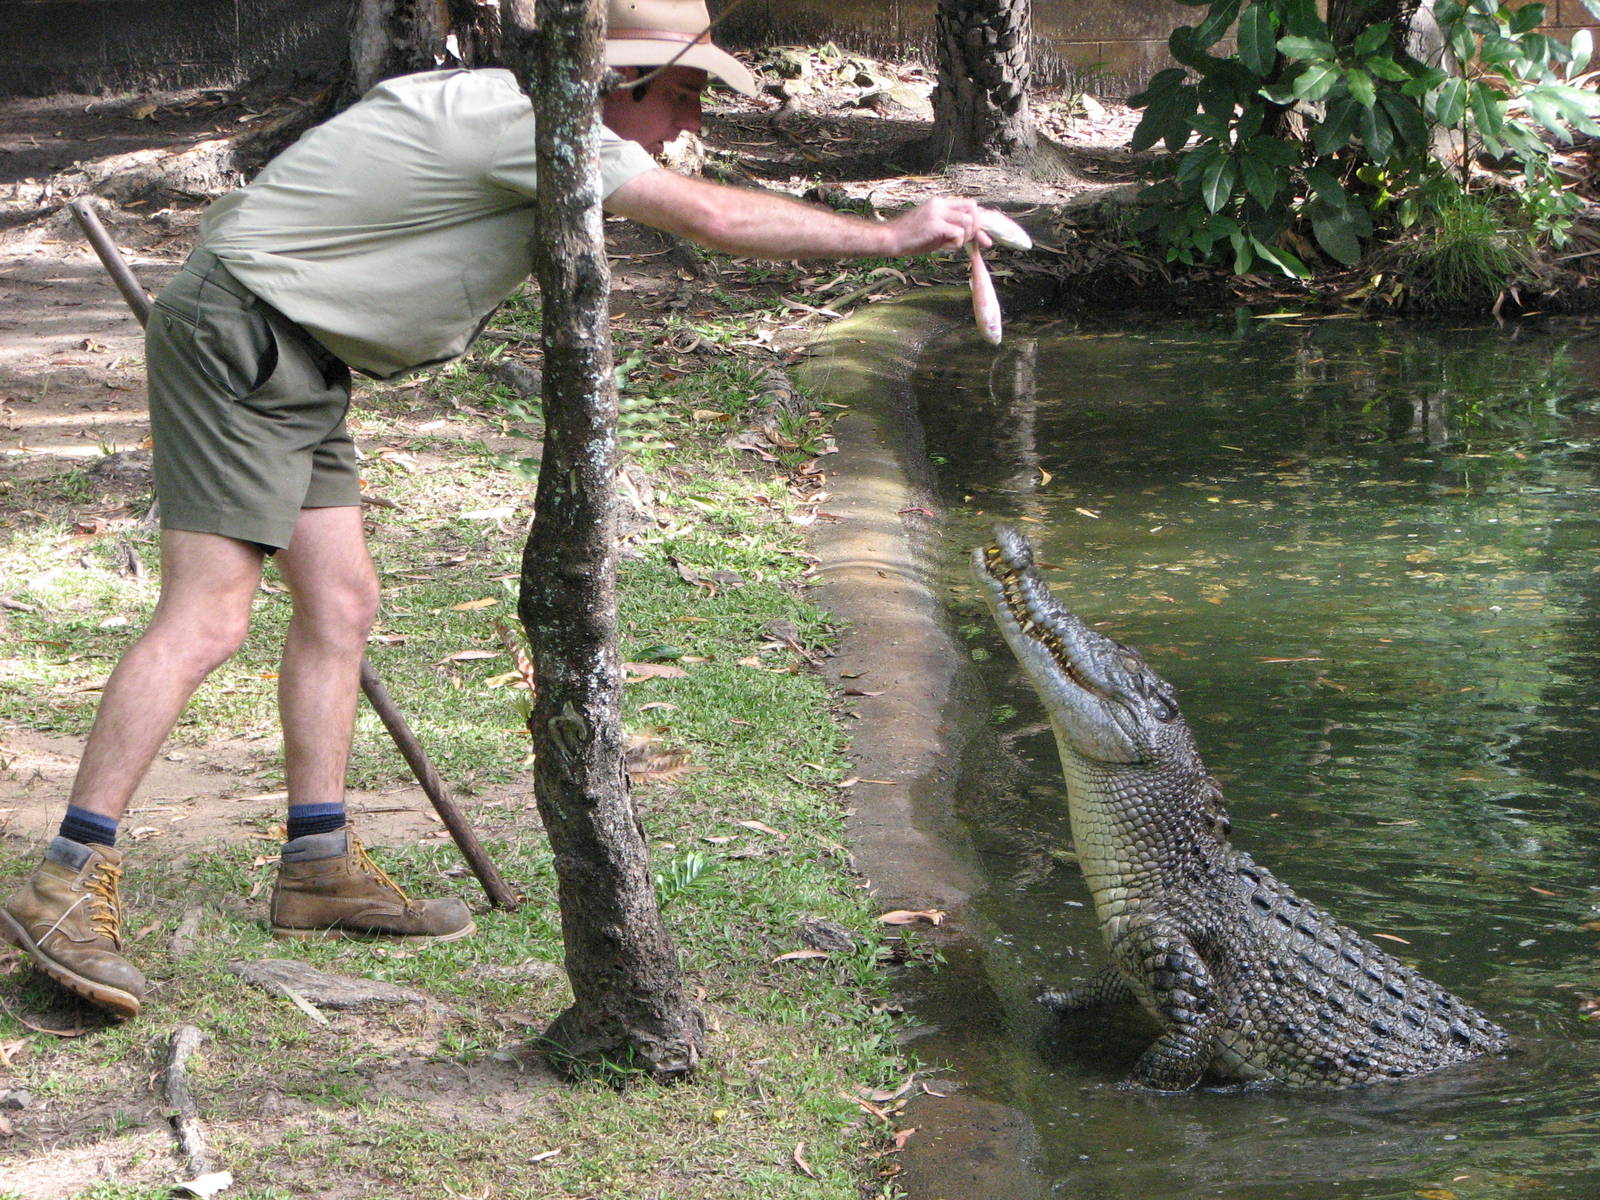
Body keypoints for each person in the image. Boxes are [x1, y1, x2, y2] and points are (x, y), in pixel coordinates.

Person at [0, 0, 996, 1020]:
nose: (689, 128)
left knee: (341, 603)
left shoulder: (508, 107)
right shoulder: (539, 129)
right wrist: (890, 236)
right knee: (209, 616)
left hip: (294, 345)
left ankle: (317, 863)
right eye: (684, 97)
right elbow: (716, 219)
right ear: (618, 84)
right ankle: (67, 878)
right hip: (244, 336)